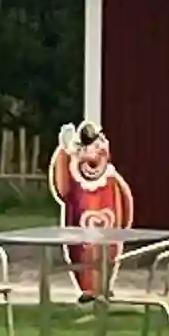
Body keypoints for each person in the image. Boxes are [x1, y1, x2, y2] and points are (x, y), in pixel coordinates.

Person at [48, 120, 133, 297]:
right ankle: (87, 289)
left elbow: (125, 200)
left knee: (108, 253)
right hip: (81, 233)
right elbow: (62, 188)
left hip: (110, 234)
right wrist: (63, 150)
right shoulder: (75, 179)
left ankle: (103, 286)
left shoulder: (111, 179)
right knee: (82, 254)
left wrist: (124, 226)